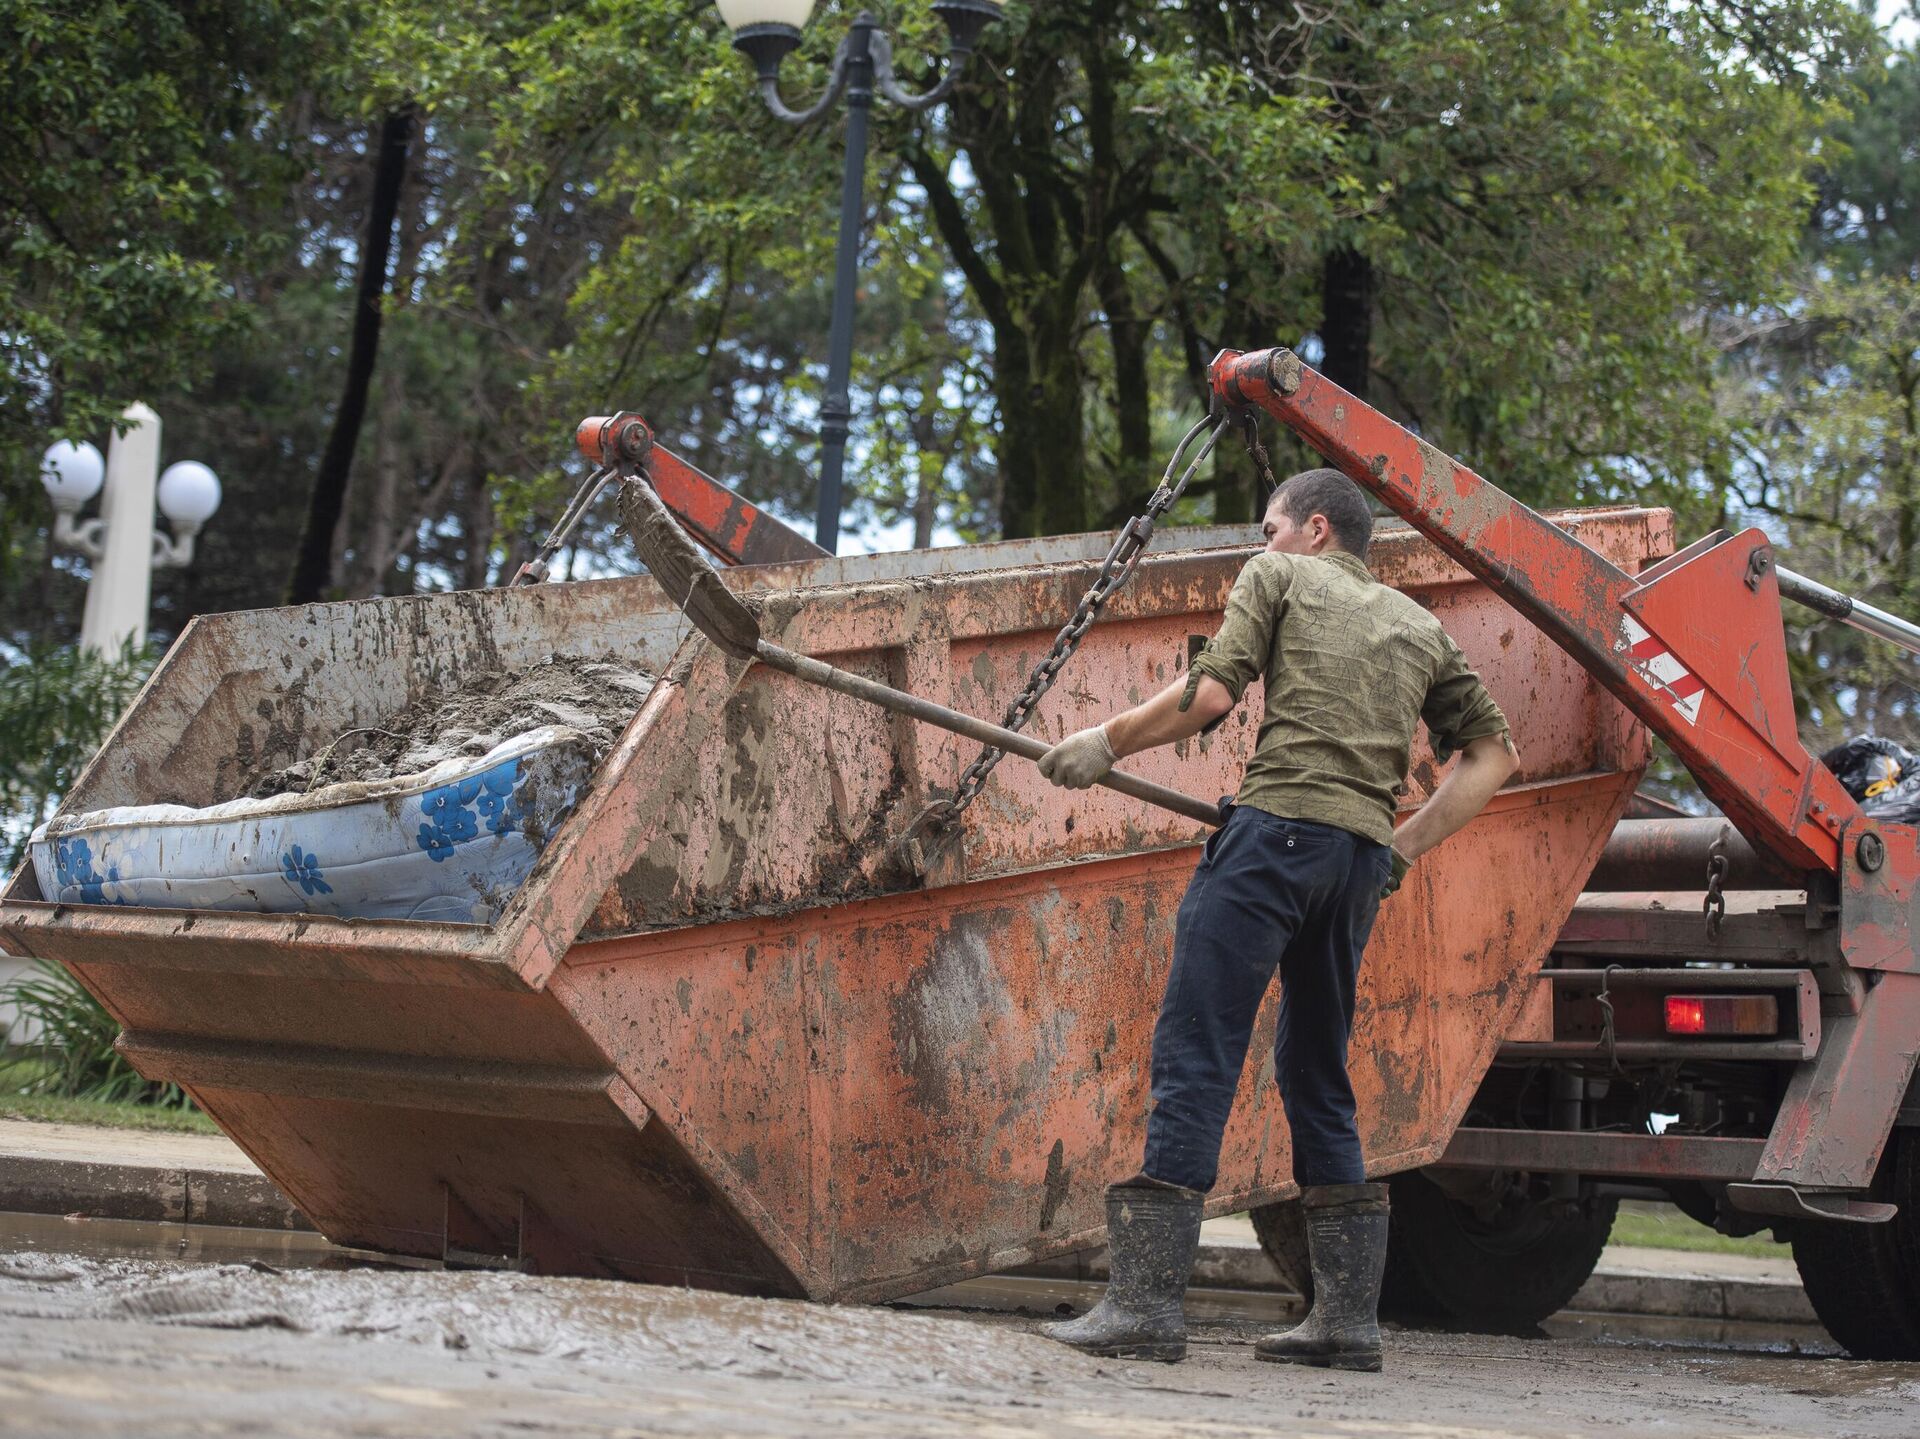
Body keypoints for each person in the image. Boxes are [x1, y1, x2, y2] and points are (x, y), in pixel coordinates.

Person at [1033, 468, 1518, 1373]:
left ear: (1316, 530)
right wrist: (1398, 849)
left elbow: (1211, 693)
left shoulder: (1279, 577)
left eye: (1269, 528)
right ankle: (1344, 1323)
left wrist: (1105, 741)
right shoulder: (1419, 626)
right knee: (1316, 1069)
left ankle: (1142, 1308)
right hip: (1357, 863)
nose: (1261, 544)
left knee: (1198, 1046)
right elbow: (1494, 755)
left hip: (1273, 841)